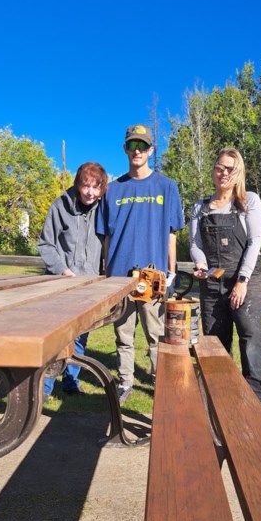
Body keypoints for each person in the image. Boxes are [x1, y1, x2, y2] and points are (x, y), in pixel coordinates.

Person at [96, 124, 184, 402]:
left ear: (151, 150)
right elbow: (106, 237)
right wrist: (105, 271)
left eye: (142, 146)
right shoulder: (112, 190)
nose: (137, 151)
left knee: (156, 336)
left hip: (153, 276)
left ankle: (161, 383)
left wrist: (171, 274)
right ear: (125, 149)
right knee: (123, 334)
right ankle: (125, 382)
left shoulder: (167, 187)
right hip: (119, 276)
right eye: (132, 146)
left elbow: (172, 234)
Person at [190, 147, 261, 410]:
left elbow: (254, 243)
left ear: (239, 173)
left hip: (245, 281)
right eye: (219, 167)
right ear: (213, 169)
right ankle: (219, 396)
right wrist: (201, 264)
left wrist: (242, 280)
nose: (223, 172)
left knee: (250, 337)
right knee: (215, 342)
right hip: (212, 284)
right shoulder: (199, 207)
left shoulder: (249, 202)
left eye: (230, 168)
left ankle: (258, 402)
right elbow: (194, 243)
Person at [37, 161, 108, 399]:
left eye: (95, 187)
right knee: (55, 338)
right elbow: (46, 243)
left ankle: (71, 383)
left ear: (101, 188)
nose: (90, 192)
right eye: (85, 185)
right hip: (61, 284)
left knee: (80, 338)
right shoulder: (60, 206)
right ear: (78, 185)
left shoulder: (104, 209)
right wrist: (62, 270)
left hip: (89, 287)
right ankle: (45, 388)